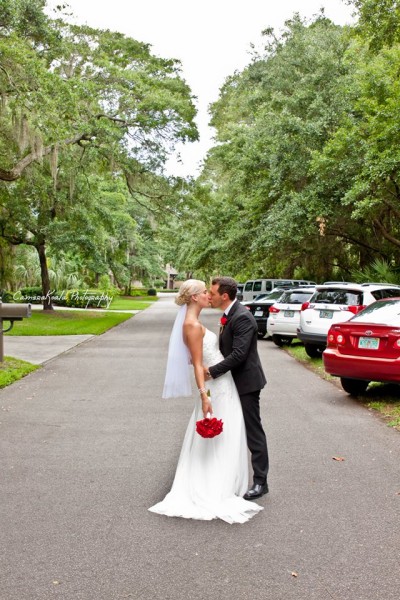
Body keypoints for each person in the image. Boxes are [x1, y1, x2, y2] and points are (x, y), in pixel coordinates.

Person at [148, 279, 263, 524]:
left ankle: (242, 481)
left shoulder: (209, 320)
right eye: (204, 292)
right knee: (222, 434)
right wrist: (204, 395)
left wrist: (211, 375)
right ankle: (213, 484)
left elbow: (234, 355)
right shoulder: (192, 325)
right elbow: (199, 365)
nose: (208, 296)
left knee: (235, 431)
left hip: (226, 382)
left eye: (210, 293)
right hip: (216, 387)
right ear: (194, 298)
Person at [205, 276, 269, 500]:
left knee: (253, 431)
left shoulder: (242, 317)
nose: (209, 296)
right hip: (231, 382)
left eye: (212, 293)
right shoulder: (229, 315)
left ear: (224, 295)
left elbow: (239, 355)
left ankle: (261, 482)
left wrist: (212, 370)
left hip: (247, 382)